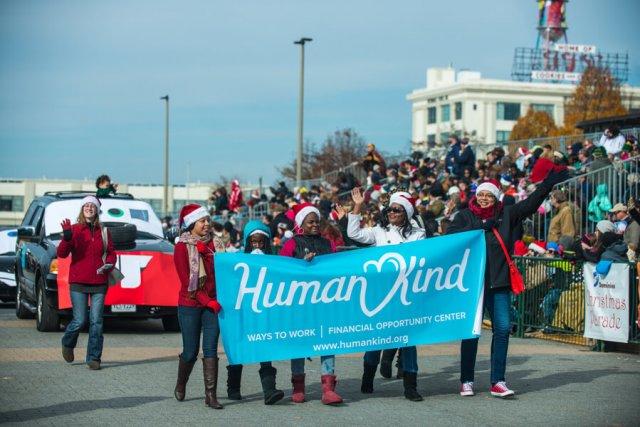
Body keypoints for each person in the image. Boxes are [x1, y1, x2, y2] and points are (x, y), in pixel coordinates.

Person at [447, 168, 568, 398]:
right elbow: (451, 237)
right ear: (475, 196)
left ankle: (498, 381)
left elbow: (531, 205)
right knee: (471, 332)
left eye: (489, 195)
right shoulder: (465, 215)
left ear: (496, 198)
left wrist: (546, 185)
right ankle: (466, 380)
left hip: (499, 283)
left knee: (502, 329)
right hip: (472, 285)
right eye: (481, 194)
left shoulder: (507, 215)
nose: (484, 198)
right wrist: (480, 226)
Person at [347, 188, 426, 401]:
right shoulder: (379, 231)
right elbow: (353, 234)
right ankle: (368, 376)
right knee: (375, 337)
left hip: (405, 294)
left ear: (407, 213)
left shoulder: (418, 234)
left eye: (398, 210)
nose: (392, 213)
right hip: (380, 294)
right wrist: (357, 206)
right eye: (390, 209)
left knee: (408, 340)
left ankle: (410, 385)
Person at [279, 202, 343, 405]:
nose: (315, 225)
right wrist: (301, 265)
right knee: (298, 343)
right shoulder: (292, 244)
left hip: (324, 302)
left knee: (328, 341)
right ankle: (298, 386)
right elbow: (281, 269)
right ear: (301, 224)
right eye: (311, 222)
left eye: (317, 221)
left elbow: (337, 267)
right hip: (300, 303)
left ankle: (328, 388)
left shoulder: (327, 243)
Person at [225, 221, 285, 405]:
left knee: (264, 349)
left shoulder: (275, 260)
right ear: (247, 242)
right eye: (253, 243)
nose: (257, 246)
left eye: (260, 243)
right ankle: (233, 388)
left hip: (263, 312)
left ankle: (269, 390)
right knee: (238, 348)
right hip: (242, 312)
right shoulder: (238, 259)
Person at [172, 204, 224, 409]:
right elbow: (187, 282)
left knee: (211, 349)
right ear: (191, 224)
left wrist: (211, 254)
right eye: (202, 221)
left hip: (213, 305)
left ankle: (210, 395)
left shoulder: (216, 244)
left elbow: (227, 271)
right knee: (190, 351)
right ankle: (181, 382)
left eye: (207, 220)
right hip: (190, 304)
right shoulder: (181, 247)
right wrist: (207, 300)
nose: (206, 224)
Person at [58, 195, 115, 370]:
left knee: (96, 321)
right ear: (82, 210)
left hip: (99, 281)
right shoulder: (74, 230)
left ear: (97, 210)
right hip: (78, 282)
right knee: (80, 320)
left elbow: (112, 252)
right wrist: (67, 238)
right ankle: (68, 343)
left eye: (93, 206)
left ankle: (94, 358)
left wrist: (110, 263)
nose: (89, 208)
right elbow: (61, 253)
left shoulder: (104, 231)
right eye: (86, 206)